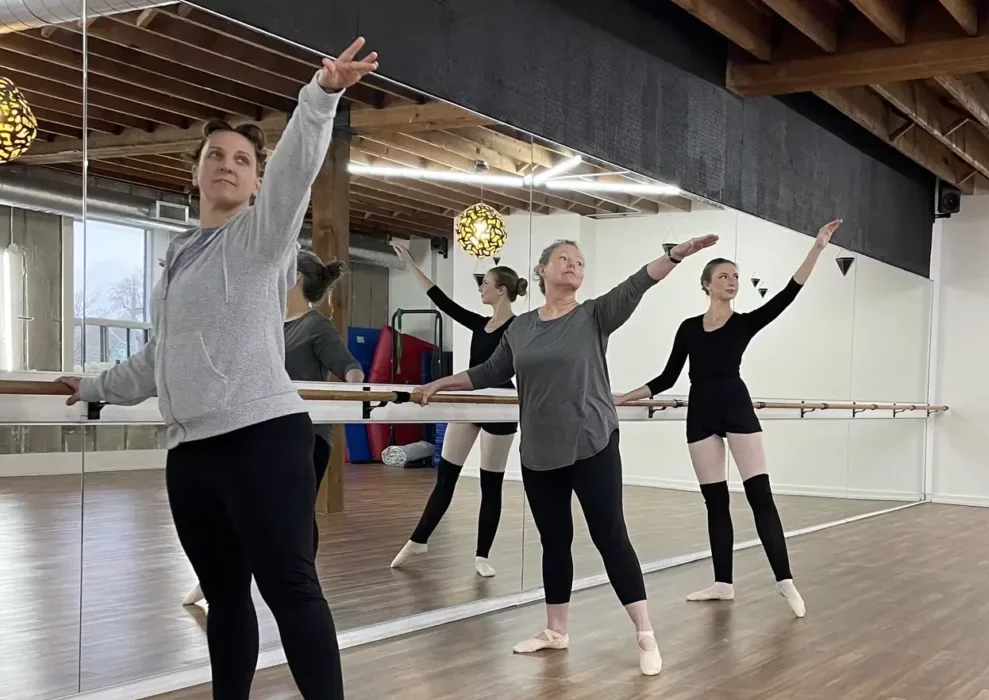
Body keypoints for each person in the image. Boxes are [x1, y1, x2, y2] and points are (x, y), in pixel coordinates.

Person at [56, 39, 378, 700]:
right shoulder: (175, 258)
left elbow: (296, 169)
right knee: (226, 601)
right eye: (214, 157)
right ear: (195, 176)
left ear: (256, 182)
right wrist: (91, 386)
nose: (227, 166)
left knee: (290, 592)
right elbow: (155, 361)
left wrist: (320, 97)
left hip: (263, 439)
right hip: (191, 457)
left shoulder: (259, 238)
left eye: (241, 160)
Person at [412, 234, 718, 676]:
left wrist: (674, 256)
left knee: (610, 535)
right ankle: (556, 631)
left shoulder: (594, 314)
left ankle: (645, 632)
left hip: (593, 443)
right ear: (541, 270)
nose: (574, 265)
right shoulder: (520, 328)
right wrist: (440, 384)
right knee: (554, 542)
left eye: (579, 261)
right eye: (564, 259)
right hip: (539, 452)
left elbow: (636, 284)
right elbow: (489, 372)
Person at [616, 218, 842, 619]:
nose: (732, 281)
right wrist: (622, 397)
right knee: (715, 502)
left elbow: (788, 293)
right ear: (706, 284)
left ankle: (785, 579)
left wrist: (818, 247)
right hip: (700, 413)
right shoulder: (688, 329)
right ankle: (723, 583)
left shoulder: (744, 323)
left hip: (737, 407)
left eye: (736, 276)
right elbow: (667, 378)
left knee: (760, 497)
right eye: (723, 276)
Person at [182, 249, 366, 607]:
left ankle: (301, 588)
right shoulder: (266, 325)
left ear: (295, 279)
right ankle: (218, 577)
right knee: (241, 507)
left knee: (294, 514)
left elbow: (349, 367)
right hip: (260, 433)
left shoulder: (316, 326)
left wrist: (354, 391)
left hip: (306, 439)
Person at [388, 243, 526, 578]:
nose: (480, 288)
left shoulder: (521, 328)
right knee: (446, 477)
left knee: (489, 483)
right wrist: (409, 263)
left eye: (485, 283)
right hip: (469, 401)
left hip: (499, 407)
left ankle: (482, 555)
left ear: (501, 290)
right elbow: (440, 299)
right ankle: (419, 539)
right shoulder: (480, 324)